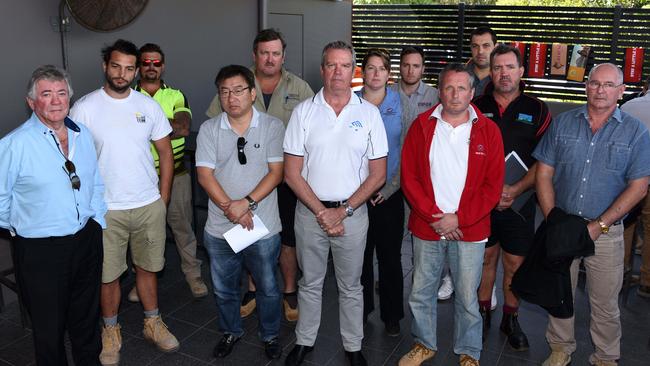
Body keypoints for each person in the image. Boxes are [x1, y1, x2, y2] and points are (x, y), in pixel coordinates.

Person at [70, 39, 179, 365]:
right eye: (116, 66)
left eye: (129, 68)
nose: (122, 73)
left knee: (148, 268)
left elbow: (165, 153)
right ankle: (110, 330)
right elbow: (72, 159)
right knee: (109, 275)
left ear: (135, 70)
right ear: (106, 66)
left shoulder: (148, 107)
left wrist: (164, 197)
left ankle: (152, 322)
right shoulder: (85, 108)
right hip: (106, 210)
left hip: (147, 205)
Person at [534, 63, 650, 366]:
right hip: (564, 224)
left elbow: (639, 187)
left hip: (607, 233)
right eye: (595, 83)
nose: (600, 90)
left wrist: (600, 225)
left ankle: (605, 358)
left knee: (605, 303)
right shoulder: (563, 123)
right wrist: (552, 218)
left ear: (621, 91)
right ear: (586, 86)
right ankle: (560, 348)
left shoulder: (636, 132)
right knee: (560, 292)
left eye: (609, 85)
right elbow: (544, 172)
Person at [283, 41, 388, 366]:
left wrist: (341, 211)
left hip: (352, 215)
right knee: (310, 282)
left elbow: (378, 174)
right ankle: (304, 341)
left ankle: (353, 346)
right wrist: (322, 212)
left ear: (353, 71)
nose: (338, 72)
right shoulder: (304, 112)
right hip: (310, 213)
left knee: (352, 286)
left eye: (344, 66)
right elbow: (291, 173)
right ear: (322, 69)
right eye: (331, 65)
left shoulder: (369, 114)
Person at [399, 63, 504, 366]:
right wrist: (435, 215)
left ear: (472, 92)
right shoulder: (422, 125)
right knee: (421, 291)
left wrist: (459, 218)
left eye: (462, 88)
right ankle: (424, 343)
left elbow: (492, 186)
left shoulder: (489, 130)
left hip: (469, 229)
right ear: (439, 91)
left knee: (467, 297)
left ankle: (469, 351)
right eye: (449, 87)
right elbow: (410, 178)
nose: (455, 94)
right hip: (427, 224)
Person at [0, 65, 106, 366]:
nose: (57, 100)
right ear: (32, 102)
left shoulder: (83, 134)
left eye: (62, 93)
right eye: (47, 94)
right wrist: (25, 225)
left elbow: (95, 181)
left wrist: (97, 220)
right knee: (49, 331)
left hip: (86, 241)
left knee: (87, 323)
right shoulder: (14, 145)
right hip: (40, 250)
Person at [206, 29, 314, 321]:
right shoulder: (237, 84)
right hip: (249, 180)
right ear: (255, 55)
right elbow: (217, 123)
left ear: (283, 56)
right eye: (264, 52)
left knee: (287, 238)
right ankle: (255, 290)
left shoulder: (301, 88)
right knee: (250, 235)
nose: (270, 58)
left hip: (288, 178)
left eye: (275, 53)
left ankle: (288, 292)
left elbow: (313, 134)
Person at [196, 65, 285, 360]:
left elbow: (276, 174)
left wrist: (245, 203)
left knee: (268, 288)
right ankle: (230, 331)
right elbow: (205, 176)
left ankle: (270, 334)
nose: (231, 98)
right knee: (224, 290)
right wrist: (231, 209)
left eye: (237, 90)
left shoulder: (272, 126)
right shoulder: (210, 129)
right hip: (220, 229)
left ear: (251, 92)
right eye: (224, 92)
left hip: (262, 226)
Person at [473, 44, 552, 350]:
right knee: (486, 258)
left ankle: (510, 318)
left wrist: (515, 190)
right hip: (483, 202)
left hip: (520, 202)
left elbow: (545, 161)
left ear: (521, 71)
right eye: (497, 68)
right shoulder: (476, 105)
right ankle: (481, 314)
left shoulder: (538, 109)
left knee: (515, 262)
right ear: (490, 72)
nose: (503, 74)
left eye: (509, 67)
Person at [127, 42, 208, 301]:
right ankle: (142, 280)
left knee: (182, 225)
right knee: (143, 232)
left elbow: (183, 127)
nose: (151, 67)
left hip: (176, 175)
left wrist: (142, 125)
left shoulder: (175, 95)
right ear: (139, 66)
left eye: (156, 62)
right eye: (146, 62)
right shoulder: (126, 96)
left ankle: (193, 274)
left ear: (164, 66)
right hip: (140, 177)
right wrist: (163, 125)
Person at [356, 48, 404, 336]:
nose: (376, 74)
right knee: (359, 257)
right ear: (363, 71)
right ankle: (361, 312)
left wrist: (390, 186)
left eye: (381, 69)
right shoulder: (351, 103)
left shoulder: (401, 104)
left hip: (388, 194)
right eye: (371, 68)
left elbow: (409, 150)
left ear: (389, 74)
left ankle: (392, 315)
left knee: (389, 257)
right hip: (358, 195)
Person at [620, 79, 650, 298]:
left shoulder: (629, 106)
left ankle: (620, 271)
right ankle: (647, 281)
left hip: (628, 176)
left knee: (624, 222)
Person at [468, 26, 497, 97]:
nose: (480, 51)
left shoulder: (502, 79)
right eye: (475, 46)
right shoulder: (458, 77)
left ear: (495, 48)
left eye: (486, 45)